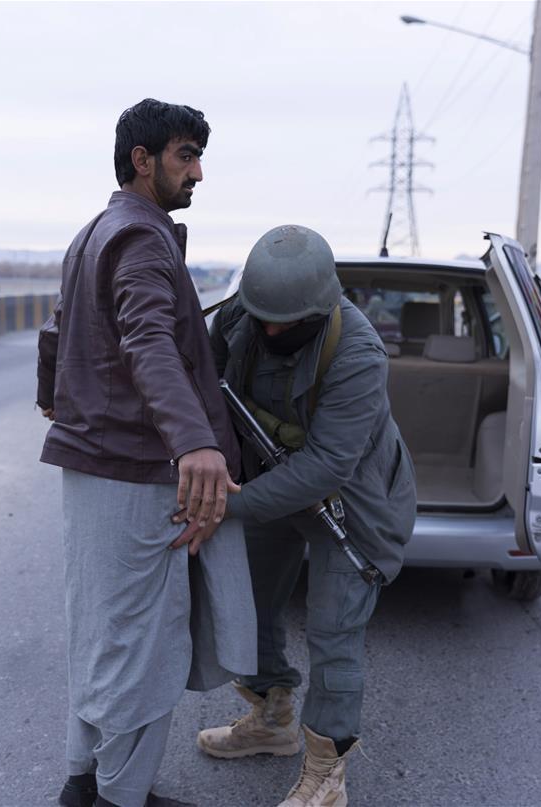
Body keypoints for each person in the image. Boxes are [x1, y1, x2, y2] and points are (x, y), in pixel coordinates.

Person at [36, 99, 256, 807]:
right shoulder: (141, 237)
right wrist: (195, 441)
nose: (198, 172)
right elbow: (149, 339)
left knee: (102, 637)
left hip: (94, 465)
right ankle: (119, 797)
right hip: (136, 473)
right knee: (145, 647)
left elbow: (59, 326)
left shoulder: (95, 233)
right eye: (186, 156)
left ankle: (84, 784)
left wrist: (55, 394)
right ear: (143, 159)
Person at [196, 225, 416, 806]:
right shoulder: (241, 316)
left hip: (352, 502)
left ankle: (326, 776)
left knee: (333, 632)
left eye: (285, 323)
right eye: (262, 318)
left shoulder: (359, 354)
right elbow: (202, 383)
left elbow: (325, 467)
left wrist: (228, 505)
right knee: (247, 602)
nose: (270, 331)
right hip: (268, 479)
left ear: (317, 312)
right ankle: (271, 721)